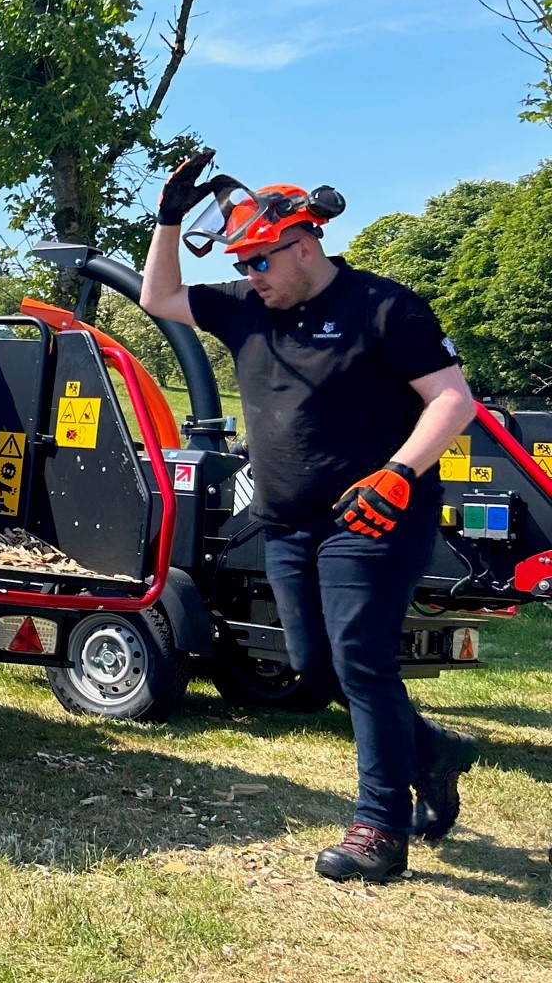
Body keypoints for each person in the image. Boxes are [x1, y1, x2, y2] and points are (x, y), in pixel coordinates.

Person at [142, 154, 481, 883]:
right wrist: (168, 216)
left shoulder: (384, 307)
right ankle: (433, 752)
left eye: (259, 258)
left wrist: (398, 473)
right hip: (289, 523)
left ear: (305, 243)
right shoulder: (245, 311)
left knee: (361, 660)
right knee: (314, 668)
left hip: (374, 517)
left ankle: (379, 830)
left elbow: (454, 401)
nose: (250, 272)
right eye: (241, 260)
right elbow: (158, 296)